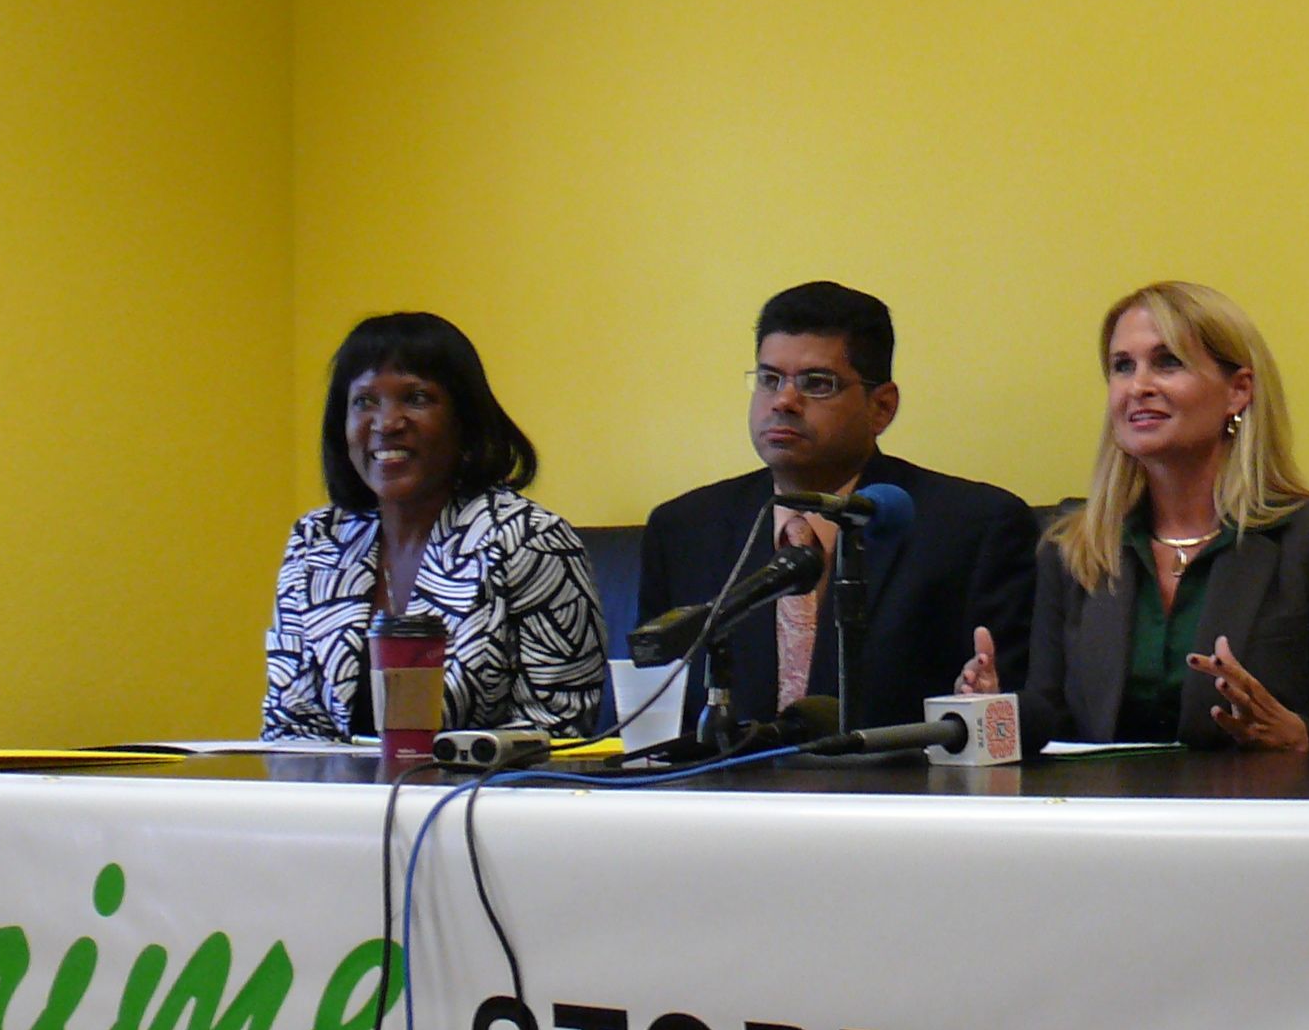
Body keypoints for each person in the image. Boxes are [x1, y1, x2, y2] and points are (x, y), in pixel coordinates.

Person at [958, 280, 1309, 752]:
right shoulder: (1075, 547)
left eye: (1168, 362)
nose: (1139, 386)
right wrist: (1000, 714)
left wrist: (1297, 739)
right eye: (1122, 367)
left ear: (1238, 391)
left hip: (1254, 817)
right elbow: (1057, 718)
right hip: (1108, 818)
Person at [639, 281, 1037, 736]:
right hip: (723, 798)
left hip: (895, 796)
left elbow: (1006, 708)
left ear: (881, 407)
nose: (784, 401)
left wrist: (982, 704)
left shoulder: (973, 528)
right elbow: (656, 711)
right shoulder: (684, 531)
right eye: (769, 379)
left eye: (817, 384)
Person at [265, 312, 604, 740]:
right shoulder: (317, 541)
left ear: (465, 420)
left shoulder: (531, 539)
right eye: (364, 401)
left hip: (481, 802)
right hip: (339, 803)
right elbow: (289, 726)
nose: (387, 423)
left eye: (417, 398)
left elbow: (560, 731)